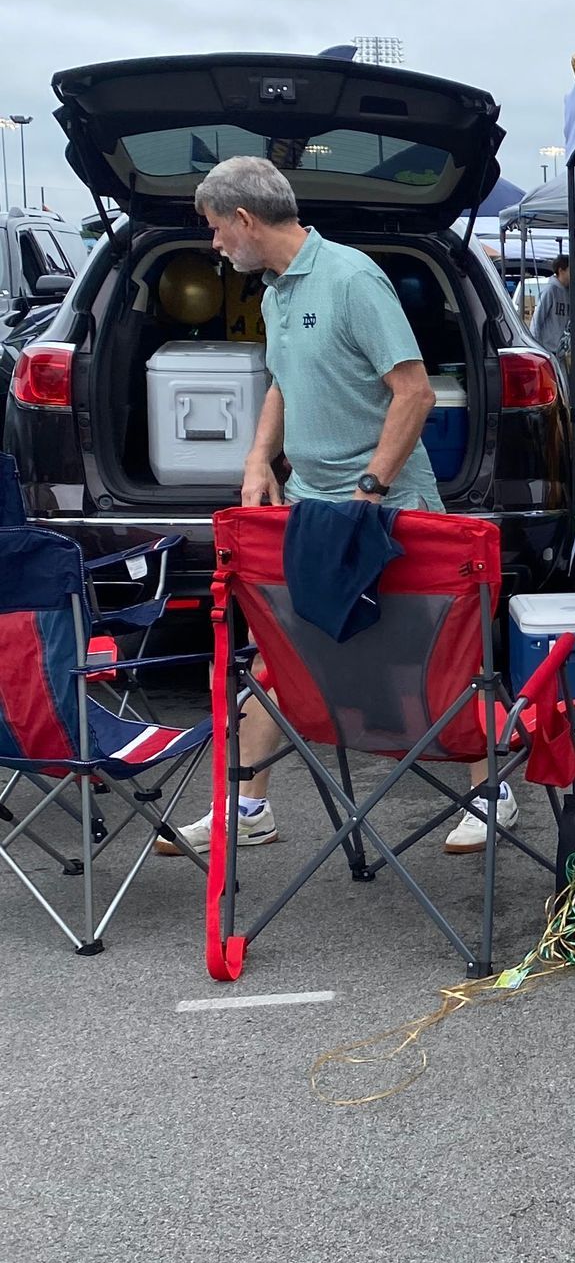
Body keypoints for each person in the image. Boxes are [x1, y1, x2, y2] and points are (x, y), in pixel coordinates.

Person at [158, 155, 509, 859]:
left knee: (439, 647)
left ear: (247, 220)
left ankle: (490, 792)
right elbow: (284, 383)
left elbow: (413, 392)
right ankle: (248, 808)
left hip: (389, 505)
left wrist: (371, 487)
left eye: (217, 229)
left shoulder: (350, 279)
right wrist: (259, 458)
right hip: (317, 511)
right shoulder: (275, 292)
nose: (214, 245)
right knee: (280, 653)